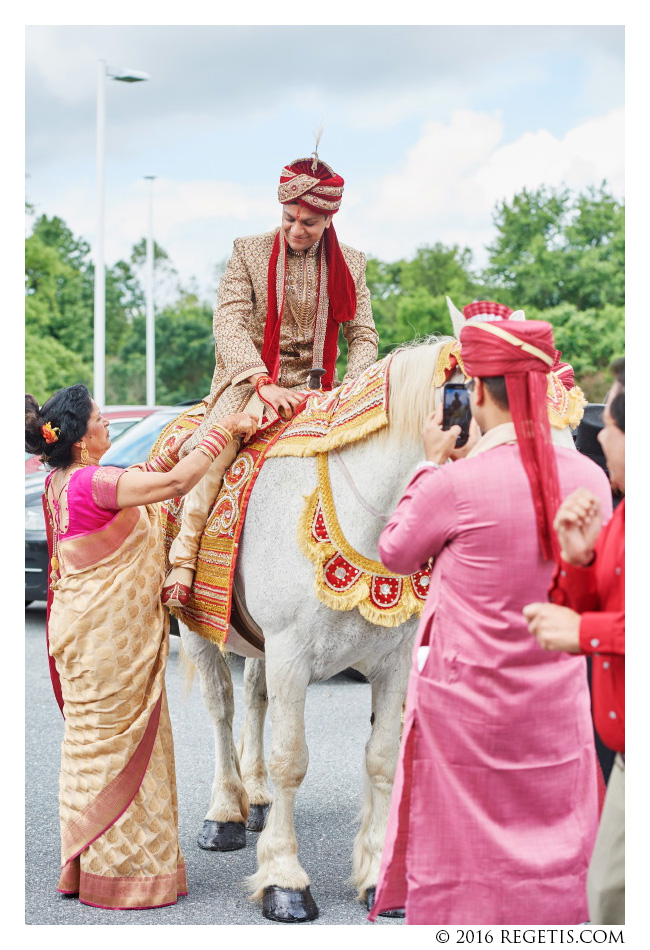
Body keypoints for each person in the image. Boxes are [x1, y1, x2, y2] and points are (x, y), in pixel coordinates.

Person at [367, 317, 613, 925]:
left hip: (466, 708)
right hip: (559, 704)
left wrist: (427, 464)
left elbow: (394, 552)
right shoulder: (591, 479)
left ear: (476, 392)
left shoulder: (454, 482)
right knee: (561, 850)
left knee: (462, 863)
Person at [25, 385, 257, 910]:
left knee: (88, 749)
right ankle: (127, 874)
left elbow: (151, 472)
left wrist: (190, 438)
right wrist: (227, 429)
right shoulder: (98, 482)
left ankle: (83, 868)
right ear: (83, 437)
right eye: (102, 420)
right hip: (113, 645)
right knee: (128, 750)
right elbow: (174, 482)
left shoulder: (58, 483)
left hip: (80, 637)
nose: (108, 426)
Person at [162, 150, 379, 607]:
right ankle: (184, 558)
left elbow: (364, 335)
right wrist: (262, 380)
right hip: (251, 383)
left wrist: (352, 391)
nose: (297, 230)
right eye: (289, 219)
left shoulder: (352, 263)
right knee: (215, 450)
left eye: (309, 223)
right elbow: (228, 323)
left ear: (328, 221)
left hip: (322, 392)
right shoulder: (249, 250)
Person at [524, 358, 625, 925]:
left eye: (607, 426)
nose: (598, 437)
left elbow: (579, 625)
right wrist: (579, 559)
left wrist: (584, 633)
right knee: (608, 897)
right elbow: (577, 609)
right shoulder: (621, 516)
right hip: (618, 754)